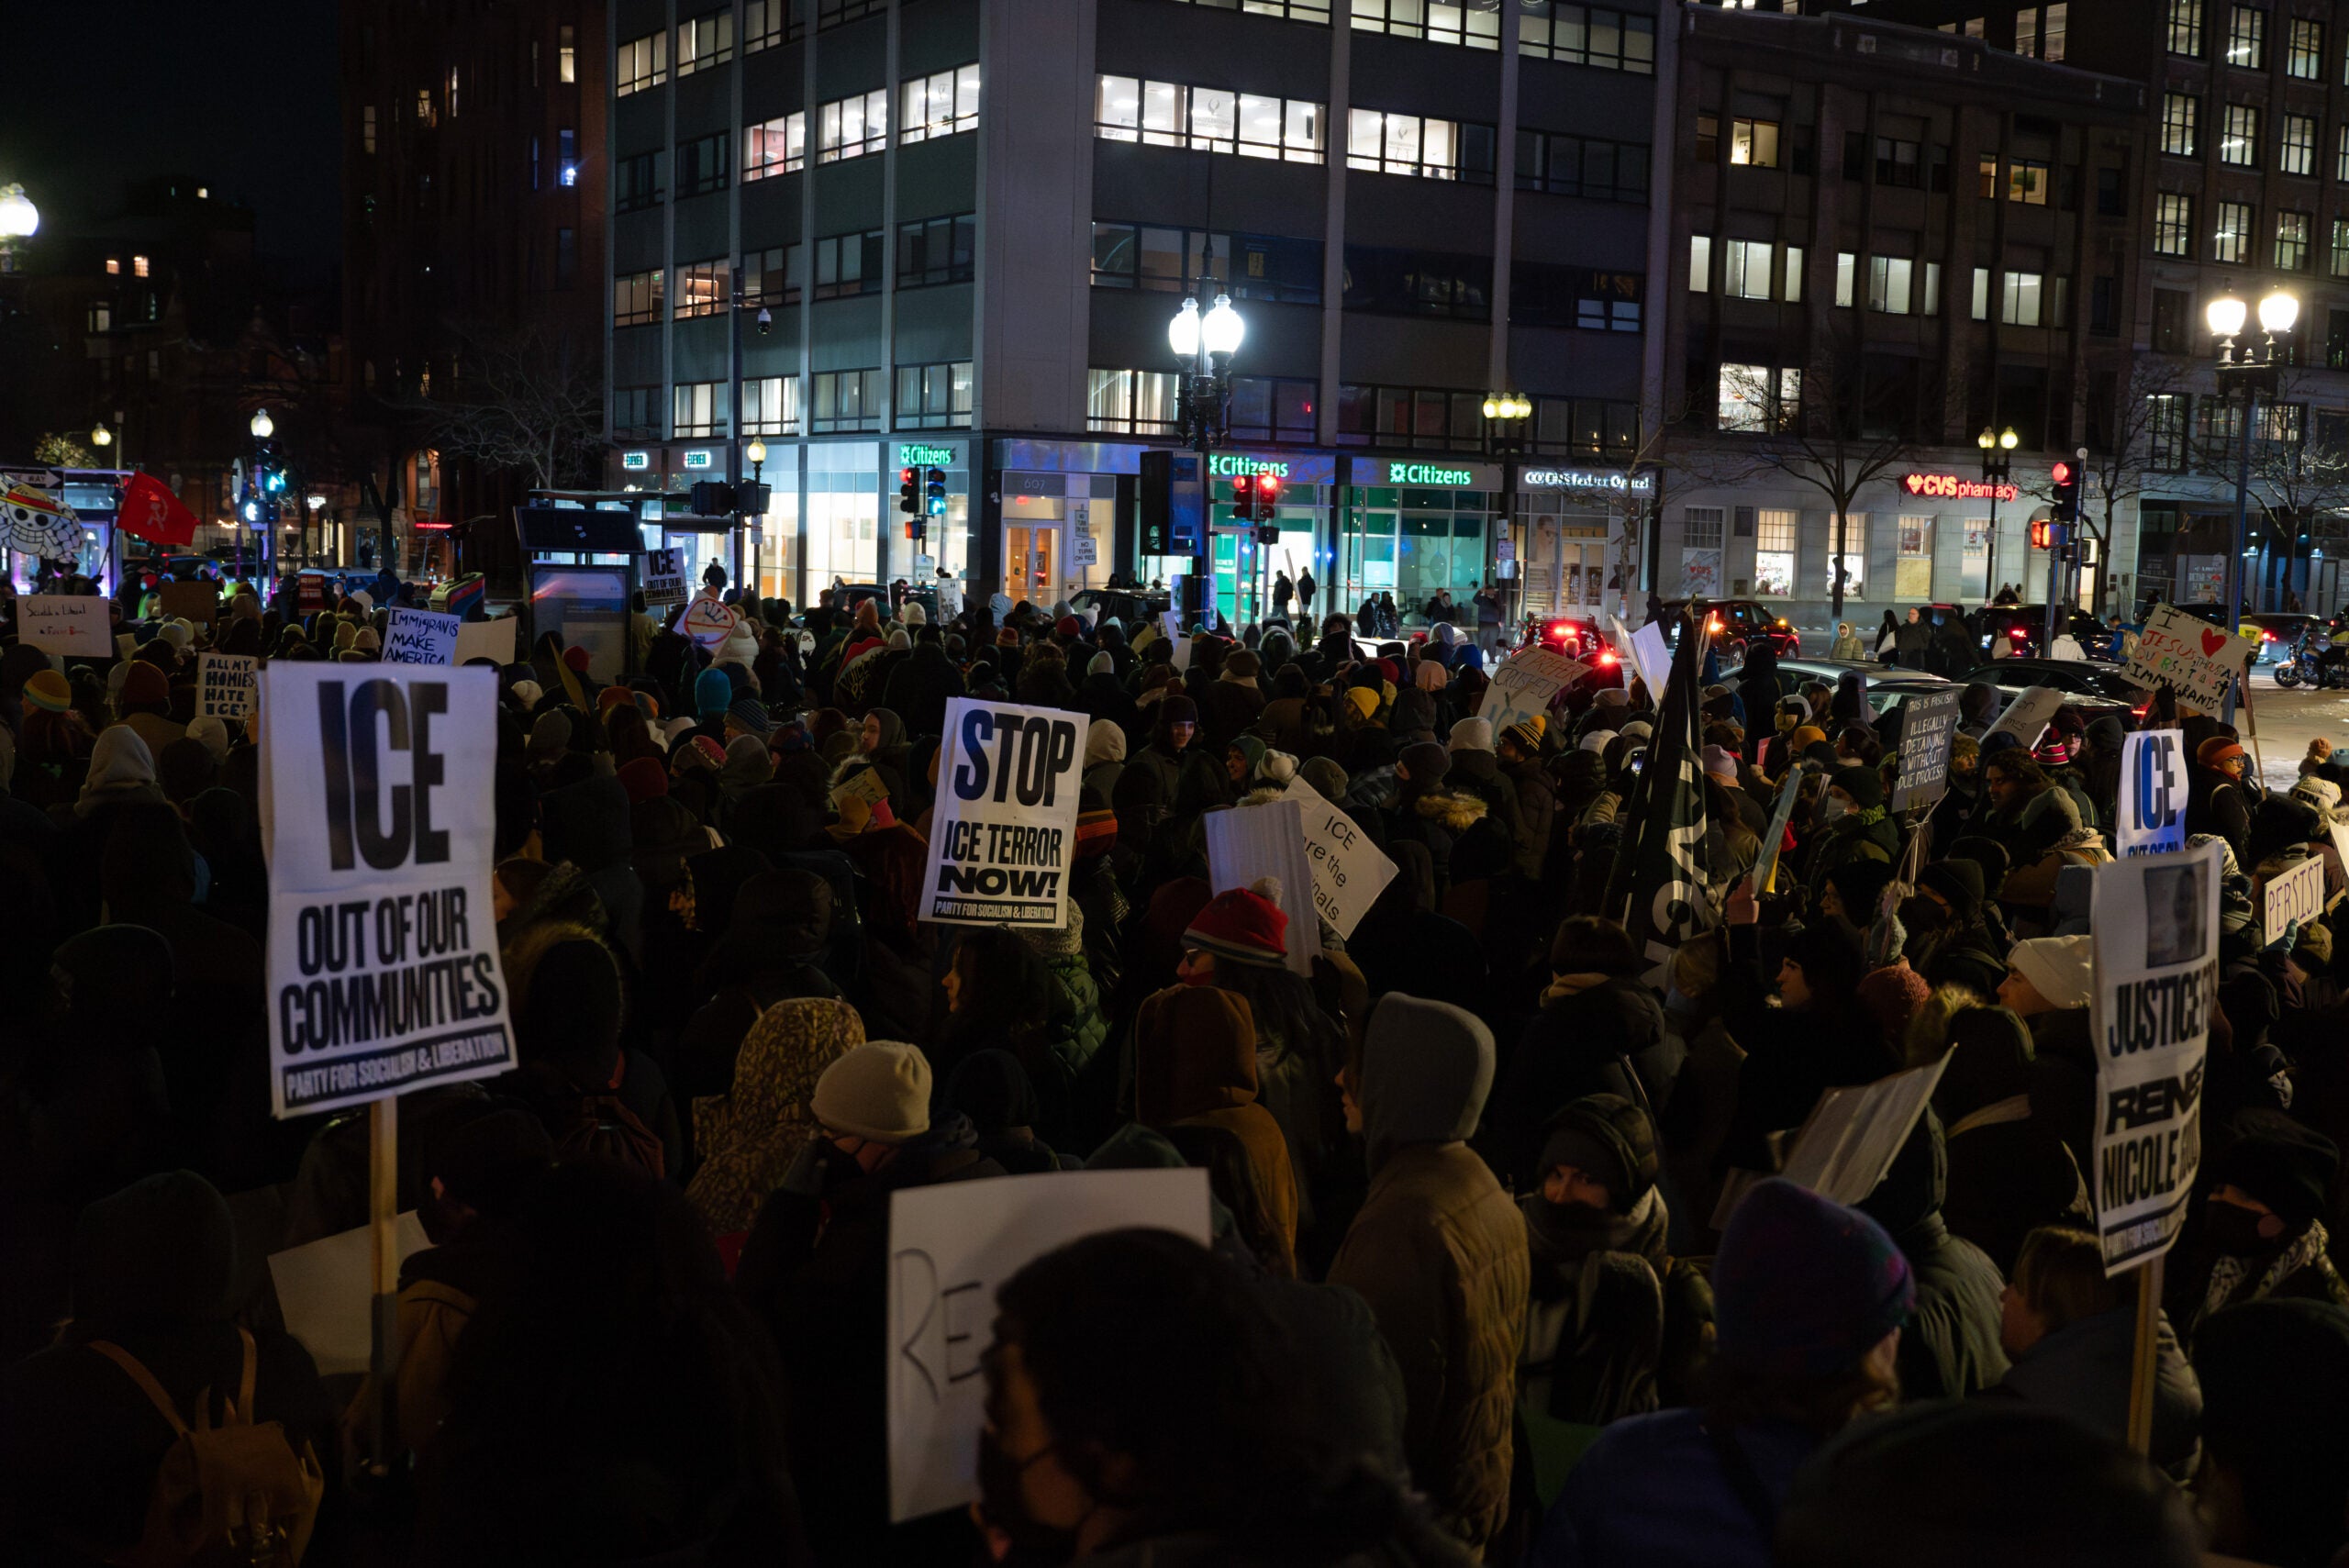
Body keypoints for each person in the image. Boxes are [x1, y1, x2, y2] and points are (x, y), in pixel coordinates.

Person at [1531, 1178, 1912, 1568]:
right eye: (1892, 1320)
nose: (1897, 1336)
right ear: (1856, 1351)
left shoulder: (1627, 1459)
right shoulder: (1900, 1509)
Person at [735, 1041, 1006, 1562]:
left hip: (874, 1491)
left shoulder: (871, 1236)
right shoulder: (981, 1175)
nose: (821, 1145)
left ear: (874, 1140)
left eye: (830, 1132)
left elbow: (767, 1320)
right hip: (961, 1477)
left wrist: (790, 1206)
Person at [1329, 995, 1527, 1556]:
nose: (1340, 1079)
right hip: (1469, 1501)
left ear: (1401, 1080)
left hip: (1417, 1528)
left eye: (1359, 1066)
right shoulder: (1478, 1182)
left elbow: (1381, 1407)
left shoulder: (1403, 1223)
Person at [1987, 1225, 2201, 1479]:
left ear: (2047, 1312)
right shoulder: (2164, 1388)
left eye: (2018, 1287)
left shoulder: (2030, 1423)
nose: (2004, 1295)